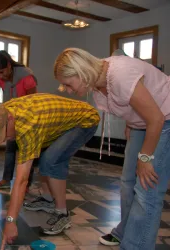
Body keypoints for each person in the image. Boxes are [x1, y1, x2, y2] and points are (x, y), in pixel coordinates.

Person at [53, 47, 170, 250]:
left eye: (68, 84)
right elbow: (133, 102)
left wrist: (145, 158)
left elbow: (157, 118)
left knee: (147, 191)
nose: (68, 90)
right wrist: (130, 124)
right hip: (143, 123)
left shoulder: (119, 75)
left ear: (81, 72)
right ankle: (125, 232)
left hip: (164, 119)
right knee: (127, 183)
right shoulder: (98, 84)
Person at [0, 93, 100, 248]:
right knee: (42, 159)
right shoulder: (5, 110)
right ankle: (47, 199)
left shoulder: (28, 127)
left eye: (4, 134)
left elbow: (21, 181)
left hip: (85, 120)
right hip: (54, 122)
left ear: (10, 119)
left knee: (51, 162)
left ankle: (62, 213)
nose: (5, 139)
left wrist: (11, 221)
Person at [0, 50, 38, 192]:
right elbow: (7, 99)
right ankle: (6, 179)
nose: (0, 76)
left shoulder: (27, 77)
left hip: (28, 117)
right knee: (10, 149)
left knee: (27, 152)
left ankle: (26, 185)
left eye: (2, 72)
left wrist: (23, 118)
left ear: (9, 65)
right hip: (12, 117)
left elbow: (33, 101)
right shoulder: (1, 78)